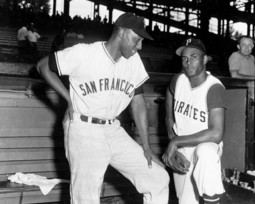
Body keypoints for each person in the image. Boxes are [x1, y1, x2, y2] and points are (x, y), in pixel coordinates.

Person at [36, 12, 169, 204]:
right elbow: (43, 67)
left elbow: (138, 102)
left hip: (113, 129)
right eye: (137, 39)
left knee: (158, 178)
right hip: (84, 129)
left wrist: (146, 146)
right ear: (122, 32)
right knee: (86, 198)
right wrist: (68, 99)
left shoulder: (133, 61)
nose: (139, 46)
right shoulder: (84, 53)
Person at [163, 38, 226, 204]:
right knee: (186, 201)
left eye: (194, 57)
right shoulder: (178, 80)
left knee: (206, 154)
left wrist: (175, 141)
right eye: (184, 58)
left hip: (204, 144)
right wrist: (170, 127)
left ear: (204, 59)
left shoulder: (214, 87)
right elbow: (169, 93)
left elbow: (216, 133)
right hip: (181, 147)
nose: (188, 62)